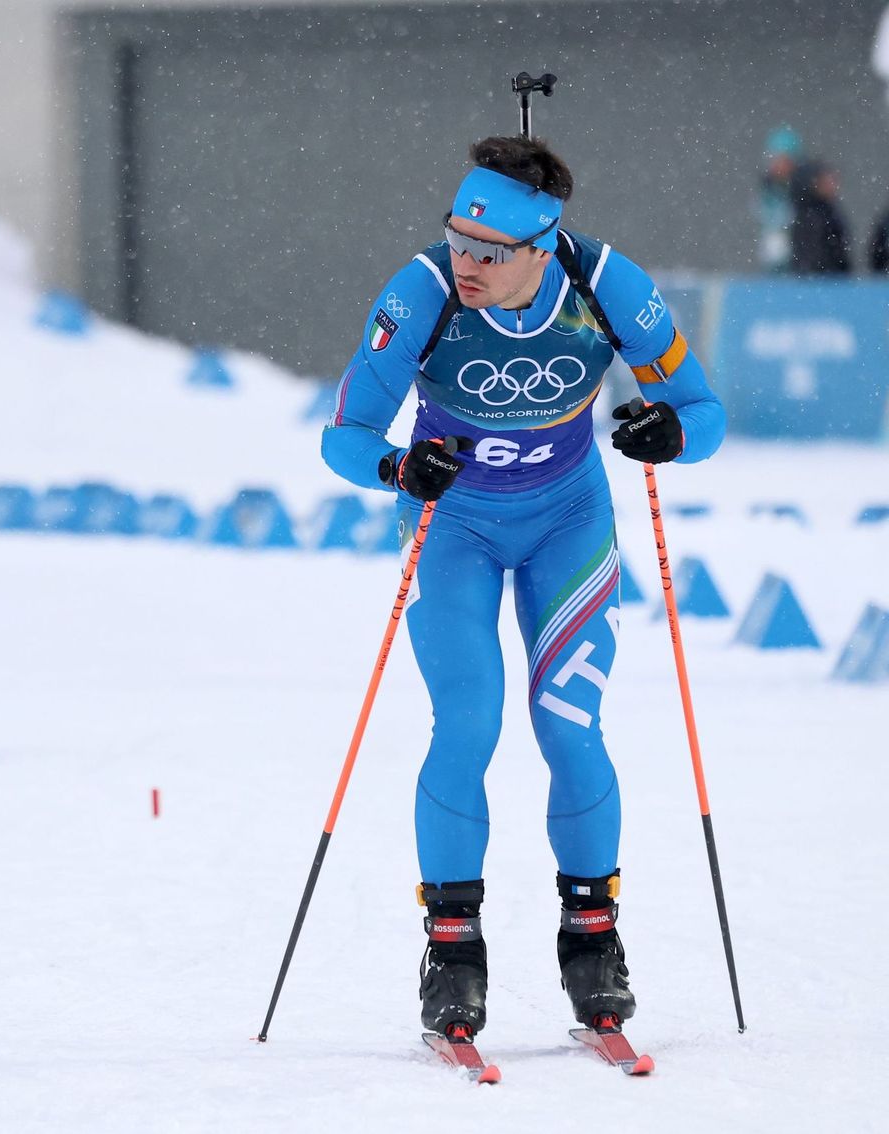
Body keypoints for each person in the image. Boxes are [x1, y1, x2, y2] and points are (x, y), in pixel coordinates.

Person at [320, 136, 725, 1039]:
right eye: (459, 239)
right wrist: (399, 466)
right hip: (455, 526)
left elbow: (706, 413)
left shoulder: (604, 283)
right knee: (469, 721)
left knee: (569, 723)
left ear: (541, 247)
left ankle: (592, 941)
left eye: (490, 253)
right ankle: (453, 951)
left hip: (567, 524)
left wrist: (670, 434)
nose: (467, 263)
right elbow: (343, 436)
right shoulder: (421, 291)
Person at [789, 159, 852, 275]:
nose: (833, 185)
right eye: (827, 180)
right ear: (814, 184)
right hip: (821, 282)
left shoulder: (830, 210)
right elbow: (811, 257)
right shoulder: (810, 216)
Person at [756, 126, 801, 272]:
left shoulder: (805, 196)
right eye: (774, 159)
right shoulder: (766, 192)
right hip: (772, 271)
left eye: (784, 160)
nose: (778, 165)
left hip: (802, 272)